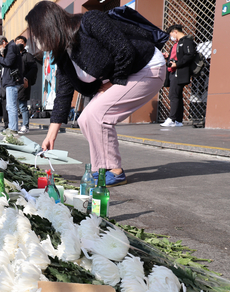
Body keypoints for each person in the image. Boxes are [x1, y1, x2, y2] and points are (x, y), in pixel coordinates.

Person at [26, 2, 166, 187]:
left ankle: (114, 171)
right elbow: (63, 94)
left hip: (148, 68)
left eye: (37, 33)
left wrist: (114, 82)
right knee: (85, 119)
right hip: (126, 74)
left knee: (97, 115)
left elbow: (124, 50)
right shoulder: (63, 54)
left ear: (49, 26)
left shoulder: (90, 21)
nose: (36, 39)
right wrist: (51, 135)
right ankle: (101, 169)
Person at [160, 24, 196, 127]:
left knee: (173, 95)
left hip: (179, 72)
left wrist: (177, 64)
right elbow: (177, 56)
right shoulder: (177, 43)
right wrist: (168, 56)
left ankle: (172, 118)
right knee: (177, 96)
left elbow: (189, 55)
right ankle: (178, 121)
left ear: (175, 32)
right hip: (173, 72)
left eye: (171, 34)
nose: (171, 37)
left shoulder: (187, 41)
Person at [0, 35, 23, 134]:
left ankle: (13, 129)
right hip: (10, 81)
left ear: (4, 42)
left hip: (12, 82)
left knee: (11, 106)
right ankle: (11, 127)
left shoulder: (12, 47)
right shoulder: (9, 48)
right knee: (10, 106)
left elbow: (8, 62)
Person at [15, 35, 39, 134]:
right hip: (13, 84)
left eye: (21, 42)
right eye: (17, 42)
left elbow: (34, 68)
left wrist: (26, 78)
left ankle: (25, 126)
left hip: (23, 83)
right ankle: (12, 126)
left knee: (22, 106)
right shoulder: (13, 55)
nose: (19, 43)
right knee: (12, 106)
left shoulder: (28, 56)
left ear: (24, 44)